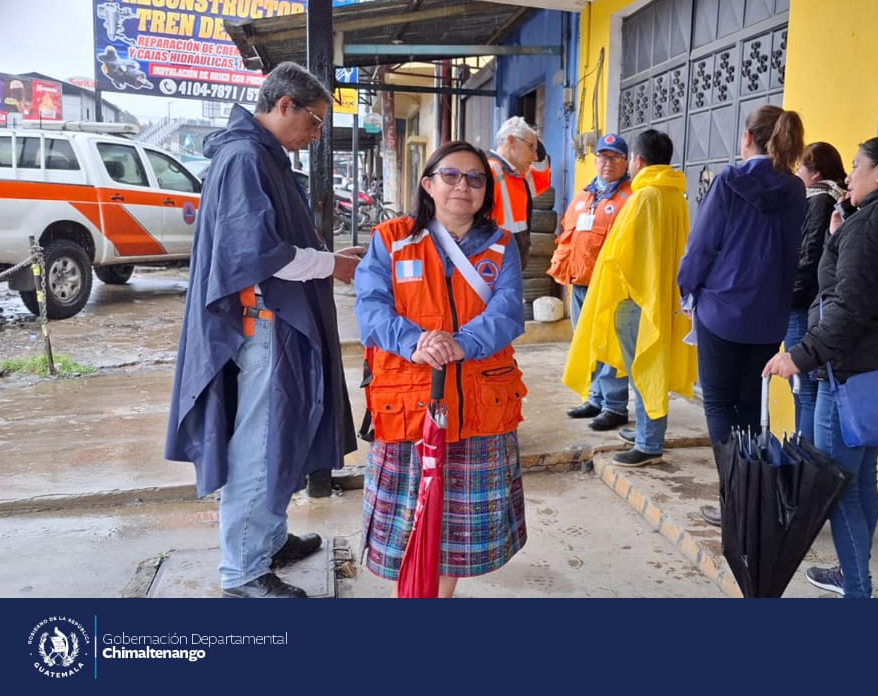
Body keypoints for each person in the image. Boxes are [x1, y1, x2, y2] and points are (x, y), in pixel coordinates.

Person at [165, 62, 360, 598]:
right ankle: (244, 571)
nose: (316, 134)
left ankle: (269, 539)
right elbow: (256, 253)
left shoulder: (258, 154)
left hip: (272, 319)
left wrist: (327, 258)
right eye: (315, 122)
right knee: (260, 441)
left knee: (280, 435)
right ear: (284, 106)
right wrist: (331, 266)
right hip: (263, 323)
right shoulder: (246, 156)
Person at [355, 141, 527, 598]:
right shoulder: (391, 239)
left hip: (477, 408)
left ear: (486, 190)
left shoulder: (501, 244)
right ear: (428, 184)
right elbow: (371, 310)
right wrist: (416, 343)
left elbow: (508, 311)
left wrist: (460, 344)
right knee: (410, 519)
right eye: (451, 175)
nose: (462, 186)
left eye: (475, 178)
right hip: (411, 405)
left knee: (455, 529)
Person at [764, 136, 878, 598]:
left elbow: (847, 308)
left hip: (853, 374)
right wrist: (841, 235)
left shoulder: (868, 225)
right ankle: (850, 575)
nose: (850, 175)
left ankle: (857, 589)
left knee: (837, 487)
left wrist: (797, 355)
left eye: (857, 166)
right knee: (863, 478)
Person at [677, 104, 806, 525]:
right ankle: (755, 499)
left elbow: (702, 245)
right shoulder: (796, 189)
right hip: (770, 315)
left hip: (723, 309)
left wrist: (687, 285)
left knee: (718, 403)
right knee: (751, 406)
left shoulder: (730, 181)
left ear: (747, 136)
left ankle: (735, 502)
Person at [562, 129, 696, 467]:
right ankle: (645, 434)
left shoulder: (644, 197)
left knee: (644, 371)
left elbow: (620, 255)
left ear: (636, 160)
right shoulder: (674, 195)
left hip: (637, 298)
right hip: (660, 293)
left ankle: (649, 444)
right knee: (648, 369)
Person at [549, 133, 634, 430]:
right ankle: (595, 398)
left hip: (609, 288)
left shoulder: (629, 197)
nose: (607, 163)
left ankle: (615, 406)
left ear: (626, 163)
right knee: (586, 344)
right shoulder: (584, 195)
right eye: (602, 157)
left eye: (614, 158)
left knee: (610, 347)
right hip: (580, 282)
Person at [789, 142, 848, 439]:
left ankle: (804, 456)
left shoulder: (820, 200)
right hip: (811, 302)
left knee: (804, 388)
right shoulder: (833, 198)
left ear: (816, 174)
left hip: (802, 305)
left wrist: (789, 297)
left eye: (800, 167)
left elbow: (809, 255)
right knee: (805, 388)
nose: (796, 173)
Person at [487, 116, 552, 271]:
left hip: (507, 264)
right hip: (493, 266)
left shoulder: (514, 175)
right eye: (531, 147)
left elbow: (541, 182)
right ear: (510, 141)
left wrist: (538, 149)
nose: (534, 156)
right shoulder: (491, 171)